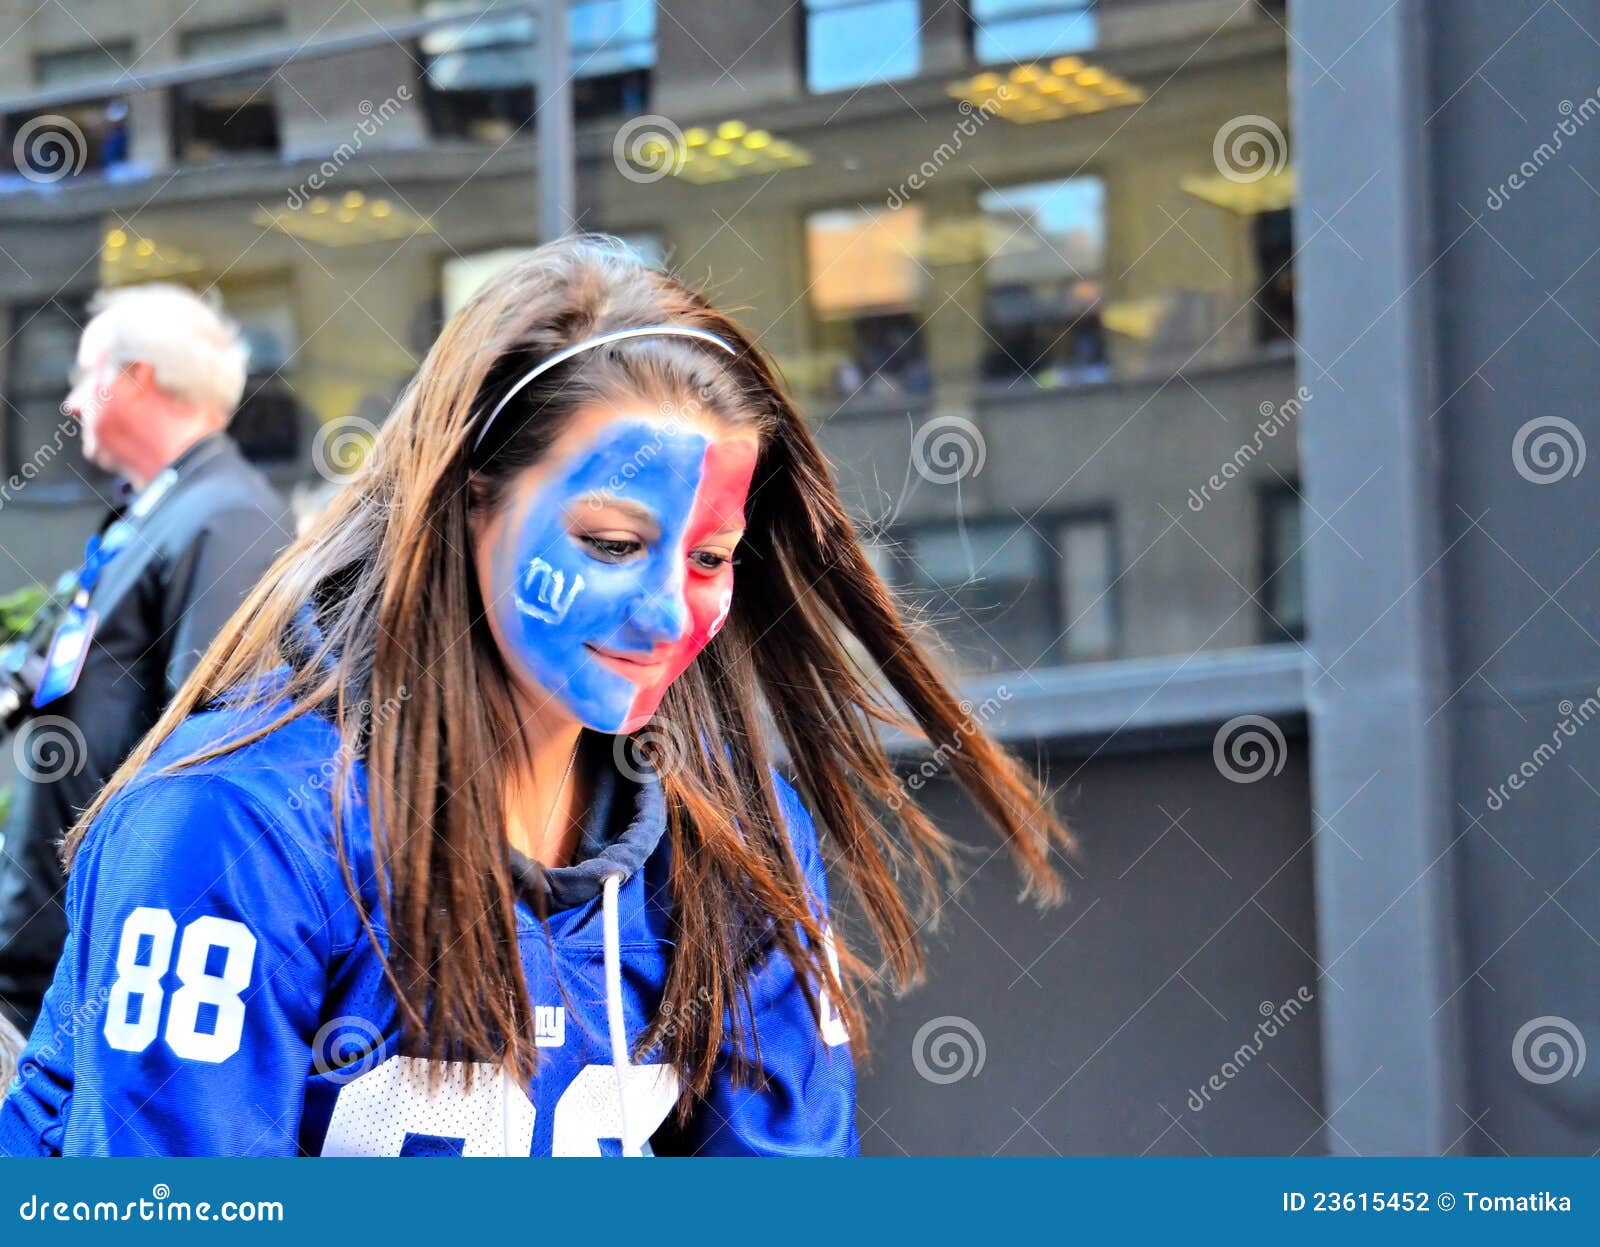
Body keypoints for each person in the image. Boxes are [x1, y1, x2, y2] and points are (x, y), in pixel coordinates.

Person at [0, 236, 1070, 1157]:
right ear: (471, 505)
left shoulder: (741, 847)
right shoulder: (233, 830)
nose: (665, 613)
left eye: (710, 558)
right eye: (611, 543)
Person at [0, 284, 293, 1034]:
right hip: (49, 962)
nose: (69, 403)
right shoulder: (155, 512)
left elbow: (213, 750)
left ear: (133, 378)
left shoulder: (226, 515)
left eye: (82, 375)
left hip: (92, 980)